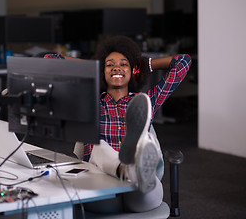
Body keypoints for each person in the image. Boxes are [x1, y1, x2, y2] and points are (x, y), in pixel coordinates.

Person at [46, 35, 192, 213]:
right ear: (102, 71)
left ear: (133, 71)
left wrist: (145, 65)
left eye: (124, 64)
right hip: (100, 184)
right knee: (100, 149)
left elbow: (183, 62)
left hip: (139, 190)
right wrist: (93, 66)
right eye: (109, 64)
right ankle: (127, 167)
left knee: (143, 184)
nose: (117, 67)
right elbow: (51, 60)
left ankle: (135, 170)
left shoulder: (145, 102)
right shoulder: (90, 102)